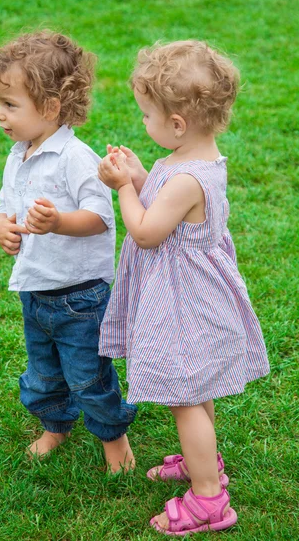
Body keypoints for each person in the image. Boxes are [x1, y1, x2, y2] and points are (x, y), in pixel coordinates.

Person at [98, 40, 269, 533]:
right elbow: (165, 197)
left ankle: (209, 500)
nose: (144, 125)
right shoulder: (194, 160)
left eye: (148, 116)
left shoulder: (185, 178)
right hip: (193, 296)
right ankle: (204, 463)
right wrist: (140, 172)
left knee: (185, 396)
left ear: (177, 124)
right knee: (198, 387)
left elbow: (148, 232)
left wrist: (124, 188)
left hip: (183, 304)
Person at [0, 30, 137, 473]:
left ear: (50, 107)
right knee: (43, 375)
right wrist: (1, 226)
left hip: (79, 296)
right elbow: (6, 205)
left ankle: (114, 440)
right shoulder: (19, 154)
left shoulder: (76, 157)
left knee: (89, 377)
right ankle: (56, 426)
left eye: (10, 105)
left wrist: (59, 223)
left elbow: (101, 218)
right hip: (35, 290)